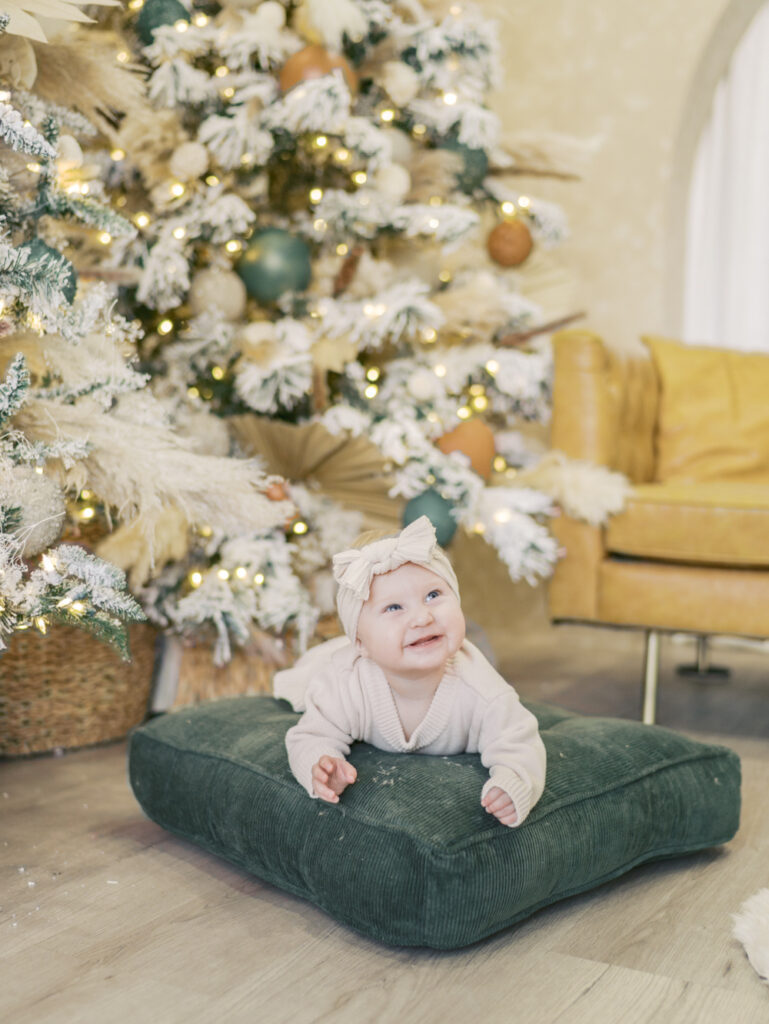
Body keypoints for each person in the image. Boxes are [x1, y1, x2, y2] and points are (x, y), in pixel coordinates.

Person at [273, 516, 546, 828]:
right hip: (335, 665)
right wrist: (320, 765)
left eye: (433, 595)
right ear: (360, 642)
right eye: (394, 608)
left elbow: (520, 742)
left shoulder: (482, 691)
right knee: (309, 679)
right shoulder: (346, 683)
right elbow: (309, 736)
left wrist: (513, 784)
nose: (422, 618)